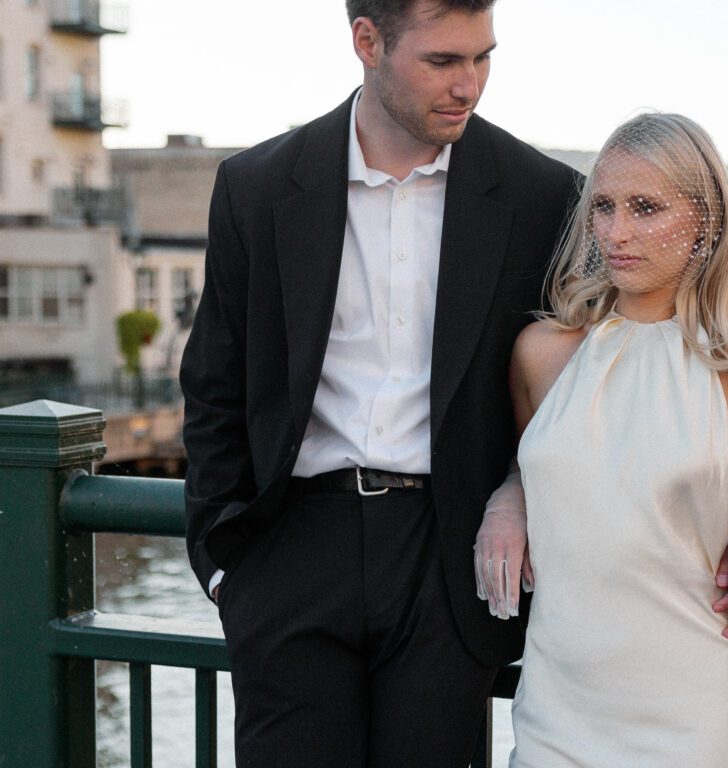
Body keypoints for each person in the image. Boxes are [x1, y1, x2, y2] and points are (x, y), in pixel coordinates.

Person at [179, 1, 580, 765]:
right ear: (367, 41)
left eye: (483, 57)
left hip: (448, 556)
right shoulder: (256, 186)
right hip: (291, 548)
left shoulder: (544, 195)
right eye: (443, 61)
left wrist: (518, 495)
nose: (471, 85)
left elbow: (574, 391)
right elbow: (215, 383)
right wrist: (226, 565)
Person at [474, 113, 728, 766]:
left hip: (701, 714)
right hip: (561, 710)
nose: (616, 232)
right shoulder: (542, 352)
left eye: (645, 208)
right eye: (604, 208)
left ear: (706, 220)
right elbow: (545, 467)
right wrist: (509, 498)